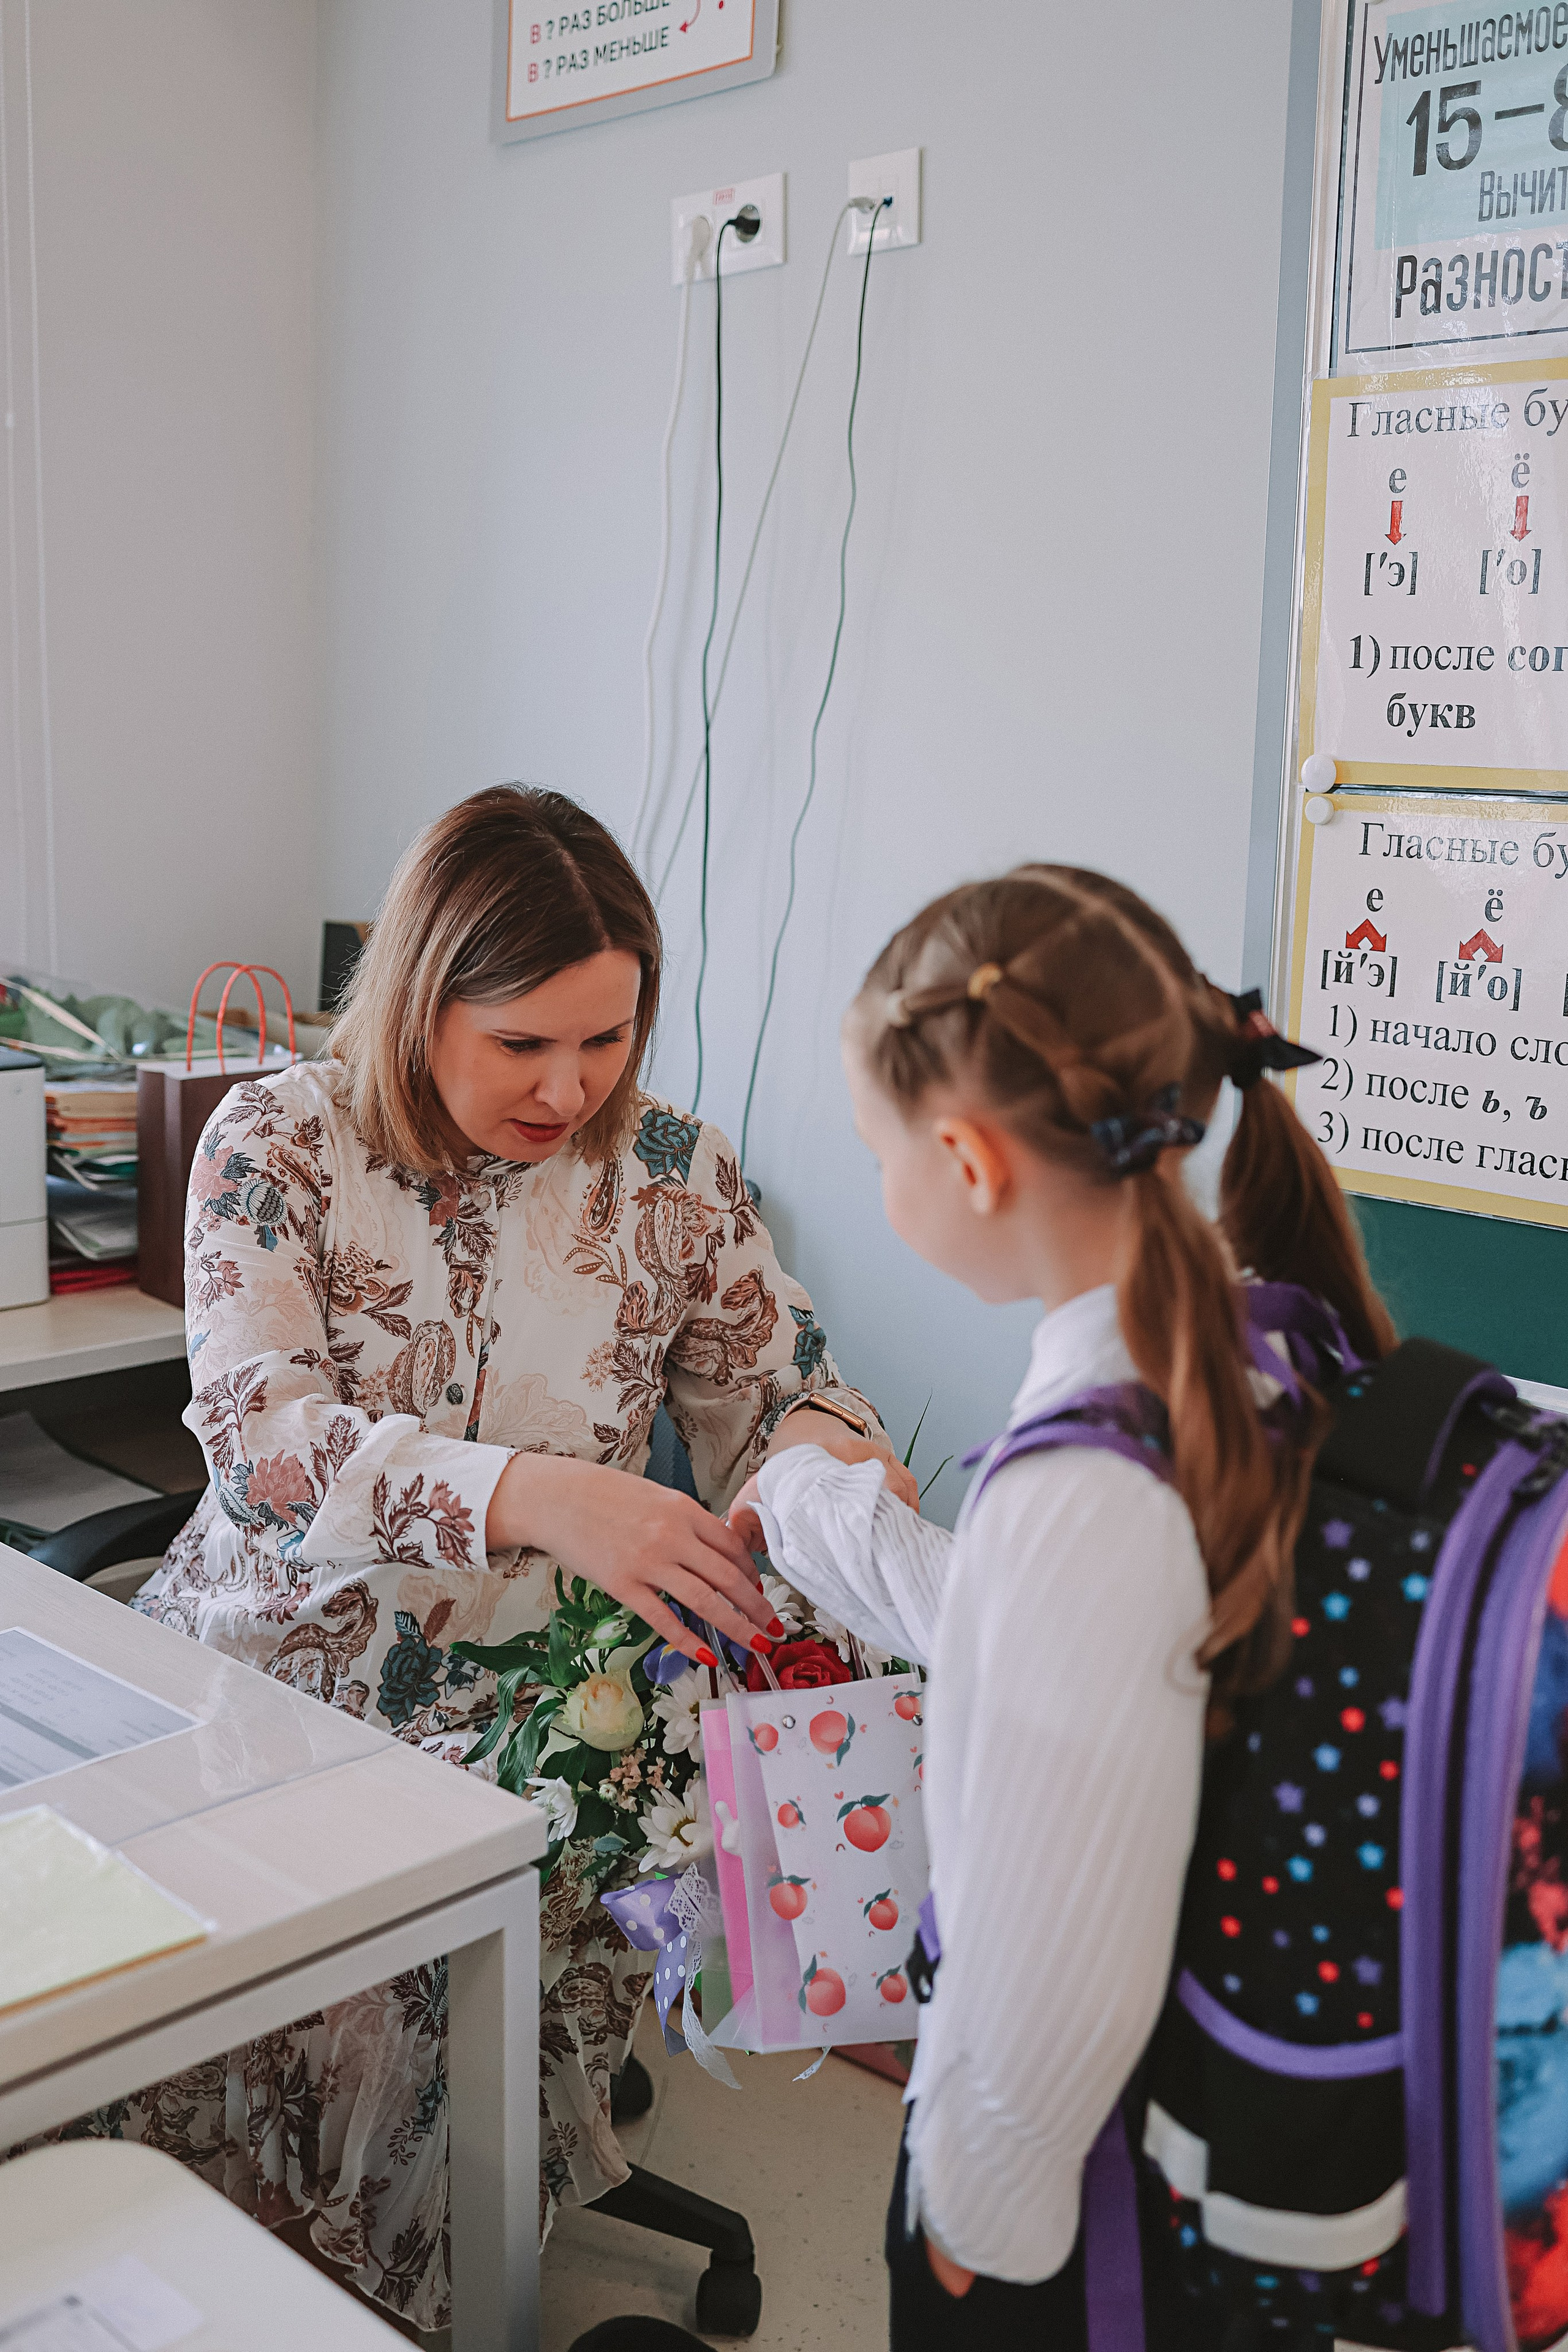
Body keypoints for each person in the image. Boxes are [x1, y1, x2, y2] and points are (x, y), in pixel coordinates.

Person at [121, 785, 911, 2332]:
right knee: (290, 2043)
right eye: (523, 1044)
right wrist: (539, 1495)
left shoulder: (676, 1174)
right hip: (282, 1677)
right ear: (422, 1003)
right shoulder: (275, 1141)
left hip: (552, 1712)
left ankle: (422, 2288)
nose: (569, 1087)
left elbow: (793, 1393)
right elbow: (260, 1445)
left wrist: (822, 1463)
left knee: (439, 2025)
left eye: (606, 1039)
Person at [728, 865, 1395, 2349]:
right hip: (1210, 2102)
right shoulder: (1243, 1343)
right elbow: (1026, 1636)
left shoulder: (1081, 1485)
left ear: (966, 1163)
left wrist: (978, 2217)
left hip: (1082, 2189)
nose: (873, 1184)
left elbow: (1054, 1961)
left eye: (870, 1149)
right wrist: (806, 1504)